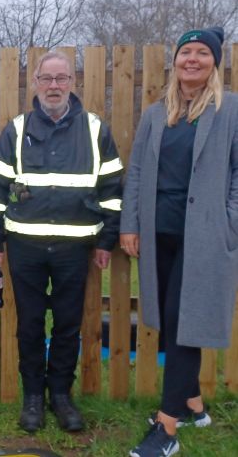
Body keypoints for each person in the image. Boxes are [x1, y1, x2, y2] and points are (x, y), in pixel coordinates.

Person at [0, 51, 123, 433]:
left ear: (73, 82)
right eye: (47, 79)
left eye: (61, 79)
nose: (54, 86)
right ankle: (32, 398)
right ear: (36, 83)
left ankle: (60, 395)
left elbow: (112, 192)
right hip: (24, 247)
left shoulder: (95, 129)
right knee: (29, 325)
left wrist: (107, 240)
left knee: (67, 325)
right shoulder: (15, 129)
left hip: (75, 249)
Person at [121, 27, 238, 457]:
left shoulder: (231, 111)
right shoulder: (156, 114)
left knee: (184, 322)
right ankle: (193, 404)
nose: (193, 59)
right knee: (172, 323)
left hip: (206, 235)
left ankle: (167, 429)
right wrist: (130, 224)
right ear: (175, 61)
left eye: (202, 52)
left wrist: (231, 221)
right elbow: (136, 172)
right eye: (186, 51)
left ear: (215, 62)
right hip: (160, 233)